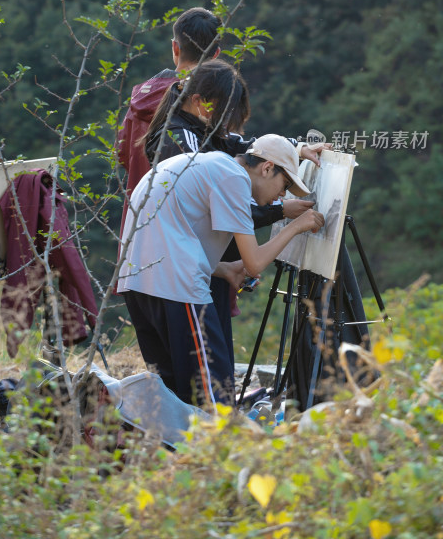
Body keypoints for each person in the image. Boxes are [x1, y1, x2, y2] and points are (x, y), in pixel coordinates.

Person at [117, 134, 325, 407]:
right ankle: (217, 449)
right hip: (177, 288)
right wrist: (295, 226)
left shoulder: (207, 165)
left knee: (172, 394)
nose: (282, 195)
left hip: (138, 284)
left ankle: (176, 449)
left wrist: (224, 269)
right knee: (214, 392)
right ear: (266, 168)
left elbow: (170, 234)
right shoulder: (234, 178)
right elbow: (254, 263)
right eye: (284, 184)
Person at [117, 7, 221, 208]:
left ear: (175, 48)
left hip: (139, 217)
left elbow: (123, 154)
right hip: (186, 221)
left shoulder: (140, 98)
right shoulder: (207, 105)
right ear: (216, 54)